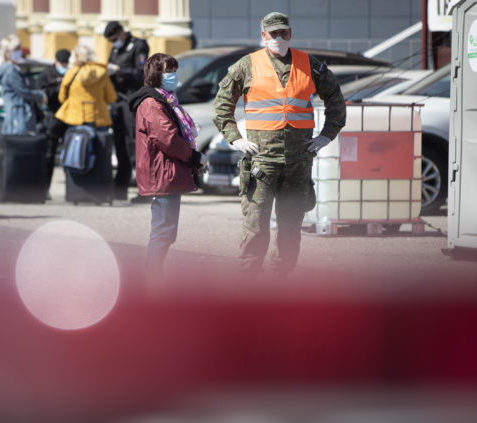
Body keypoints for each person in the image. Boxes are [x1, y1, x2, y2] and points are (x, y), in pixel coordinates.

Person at [212, 12, 346, 277]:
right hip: (262, 160)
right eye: (273, 34)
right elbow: (221, 107)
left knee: (291, 225)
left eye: (283, 33)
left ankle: (280, 282)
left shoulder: (310, 65)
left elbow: (336, 101)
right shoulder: (246, 66)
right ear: (263, 36)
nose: (278, 38)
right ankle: (248, 283)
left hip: (298, 160)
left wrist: (325, 136)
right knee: (256, 224)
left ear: (290, 33)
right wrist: (237, 139)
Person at [129, 53, 206, 280]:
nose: (173, 76)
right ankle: (153, 278)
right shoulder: (153, 103)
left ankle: (155, 275)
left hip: (167, 173)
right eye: (168, 71)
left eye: (174, 70)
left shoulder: (165, 100)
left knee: (166, 231)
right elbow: (168, 138)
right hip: (161, 174)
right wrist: (193, 157)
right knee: (163, 231)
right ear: (155, 74)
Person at [103, 20, 149, 201]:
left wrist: (119, 71)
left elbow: (141, 72)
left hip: (132, 101)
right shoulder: (115, 49)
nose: (114, 43)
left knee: (135, 144)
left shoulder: (138, 45)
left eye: (115, 39)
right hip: (117, 102)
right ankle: (120, 188)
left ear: (121, 32)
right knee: (120, 144)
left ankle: (143, 188)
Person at [55, 45, 116, 132]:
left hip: (75, 119)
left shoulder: (71, 73)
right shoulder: (102, 73)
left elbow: (61, 98)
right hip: (98, 119)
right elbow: (111, 98)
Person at [0, 34, 46, 135]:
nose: (19, 52)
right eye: (16, 49)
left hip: (15, 113)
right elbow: (23, 92)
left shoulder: (7, 68)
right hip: (18, 114)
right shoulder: (11, 71)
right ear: (7, 52)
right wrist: (41, 96)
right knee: (20, 143)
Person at [36, 48, 71, 190]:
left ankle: (71, 189)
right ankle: (44, 189)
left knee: (70, 154)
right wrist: (57, 88)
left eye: (66, 63)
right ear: (56, 61)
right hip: (52, 117)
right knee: (48, 155)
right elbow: (40, 93)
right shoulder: (46, 74)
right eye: (62, 63)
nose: (64, 66)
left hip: (68, 117)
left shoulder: (71, 72)